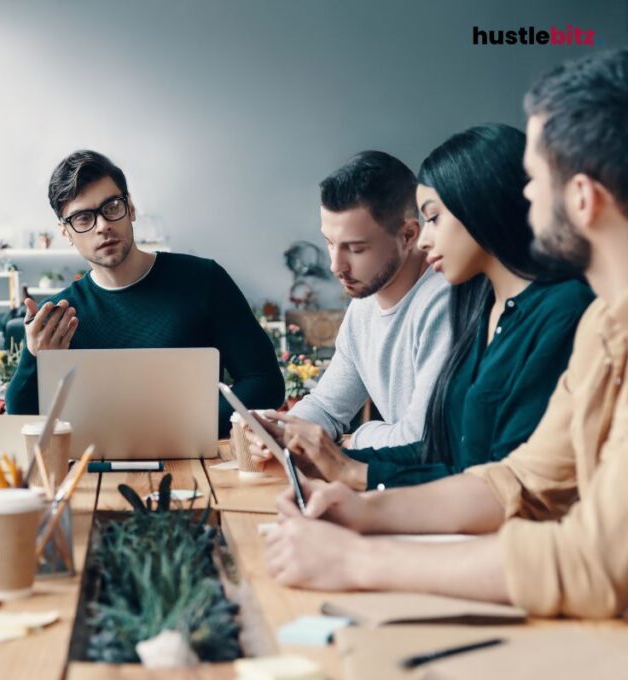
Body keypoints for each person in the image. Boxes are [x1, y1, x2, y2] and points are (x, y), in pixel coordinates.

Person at [263, 49, 628, 619]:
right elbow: (519, 480)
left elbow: (597, 563)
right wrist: (362, 513)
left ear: (582, 198)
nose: (524, 195)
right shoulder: (607, 322)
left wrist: (359, 561)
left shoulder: (572, 311)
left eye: (534, 179)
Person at [249, 125, 593, 490]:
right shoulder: (491, 307)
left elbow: (469, 466)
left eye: (434, 218)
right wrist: (297, 440)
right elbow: (463, 461)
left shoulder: (470, 301)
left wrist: (351, 450)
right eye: (329, 244)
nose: (336, 266)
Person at [3, 150, 284, 436]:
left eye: (112, 207)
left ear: (131, 208)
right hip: (94, 471)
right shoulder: (61, 314)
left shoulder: (204, 280)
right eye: (83, 218)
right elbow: (21, 418)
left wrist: (188, 426)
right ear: (65, 232)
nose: (103, 226)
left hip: (198, 464)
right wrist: (34, 356)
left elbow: (265, 383)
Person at [266, 151, 453, 450]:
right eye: (329, 243)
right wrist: (282, 432)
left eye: (355, 249)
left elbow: (423, 439)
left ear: (407, 235)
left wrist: (358, 438)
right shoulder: (363, 307)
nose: (335, 266)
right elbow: (327, 406)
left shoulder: (444, 303)